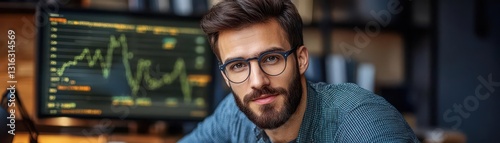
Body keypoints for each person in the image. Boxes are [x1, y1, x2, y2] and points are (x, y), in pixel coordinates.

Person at [179, 0, 419, 142]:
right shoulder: (234, 114)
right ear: (226, 77)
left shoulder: (362, 124)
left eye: (271, 58)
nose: (257, 81)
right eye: (238, 66)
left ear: (302, 59)